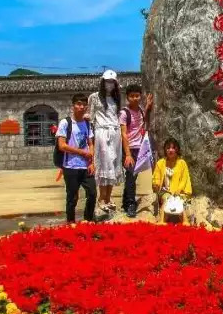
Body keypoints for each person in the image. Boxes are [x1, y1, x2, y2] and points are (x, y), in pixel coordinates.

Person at [55, 94, 96, 223]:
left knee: (92, 193)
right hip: (70, 166)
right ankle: (71, 223)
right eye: (78, 104)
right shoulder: (65, 123)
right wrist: (82, 152)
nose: (81, 107)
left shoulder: (87, 124)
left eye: (84, 105)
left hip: (86, 167)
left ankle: (88, 220)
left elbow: (91, 143)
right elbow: (62, 145)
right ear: (73, 106)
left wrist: (91, 162)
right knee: (72, 197)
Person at [89, 69, 122, 214]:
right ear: (103, 82)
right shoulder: (94, 97)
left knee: (113, 165)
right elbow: (91, 118)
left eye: (112, 82)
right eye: (107, 81)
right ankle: (101, 198)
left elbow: (117, 116)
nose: (110, 84)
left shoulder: (116, 98)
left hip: (115, 133)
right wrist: (91, 139)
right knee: (104, 164)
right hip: (102, 133)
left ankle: (108, 198)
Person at [120, 83, 153, 215]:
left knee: (132, 177)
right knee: (131, 176)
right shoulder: (124, 113)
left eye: (137, 96)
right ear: (127, 97)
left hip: (139, 148)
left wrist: (148, 106)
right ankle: (131, 204)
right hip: (129, 149)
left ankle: (125, 202)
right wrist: (127, 154)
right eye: (132, 96)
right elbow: (123, 134)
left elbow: (143, 120)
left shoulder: (140, 110)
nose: (135, 98)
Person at [152, 138, 192, 223]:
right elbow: (156, 177)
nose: (170, 150)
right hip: (165, 191)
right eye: (168, 148)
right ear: (165, 150)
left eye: (173, 148)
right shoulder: (160, 163)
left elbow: (184, 178)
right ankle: (161, 221)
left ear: (177, 149)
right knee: (167, 199)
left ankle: (185, 222)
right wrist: (156, 184)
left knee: (179, 201)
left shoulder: (182, 163)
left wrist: (179, 190)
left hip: (180, 191)